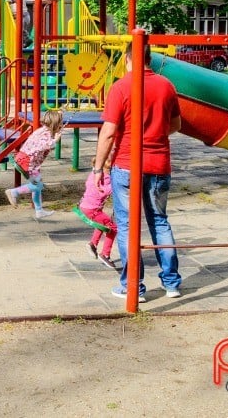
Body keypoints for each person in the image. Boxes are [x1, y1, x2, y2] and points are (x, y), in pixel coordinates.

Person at [94, 43, 182, 303]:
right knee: (160, 221)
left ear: (128, 58)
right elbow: (176, 124)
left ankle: (133, 287)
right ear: (149, 59)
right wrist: (153, 135)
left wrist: (98, 168)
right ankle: (172, 284)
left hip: (126, 166)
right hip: (159, 164)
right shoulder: (166, 85)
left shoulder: (121, 87)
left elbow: (109, 132)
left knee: (127, 226)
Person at [4, 109, 64, 219]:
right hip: (28, 162)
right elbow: (43, 146)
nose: (62, 125)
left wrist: (60, 114)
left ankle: (39, 210)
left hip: (25, 160)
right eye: (60, 123)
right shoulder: (45, 135)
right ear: (55, 124)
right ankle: (13, 192)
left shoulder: (43, 130)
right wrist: (55, 141)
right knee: (37, 186)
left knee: (37, 186)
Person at [80, 157, 117, 270]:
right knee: (113, 228)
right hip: (92, 209)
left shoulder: (94, 173)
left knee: (102, 224)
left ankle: (93, 244)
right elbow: (105, 191)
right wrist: (116, 184)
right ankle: (105, 254)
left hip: (85, 206)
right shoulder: (106, 178)